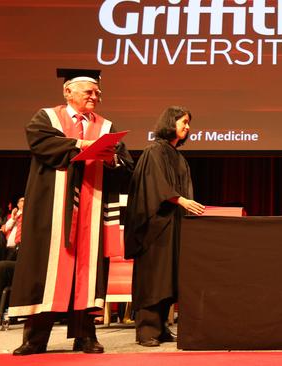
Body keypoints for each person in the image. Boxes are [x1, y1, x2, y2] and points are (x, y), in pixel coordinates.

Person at [8, 68, 133, 355]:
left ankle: (85, 336)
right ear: (68, 92)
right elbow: (41, 143)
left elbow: (125, 162)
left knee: (87, 272)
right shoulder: (47, 118)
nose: (95, 97)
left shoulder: (106, 126)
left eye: (97, 93)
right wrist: (80, 144)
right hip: (53, 208)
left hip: (94, 207)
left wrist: (112, 159)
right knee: (50, 269)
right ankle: (35, 338)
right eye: (89, 92)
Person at [124, 106, 205, 347]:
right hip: (155, 227)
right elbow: (155, 184)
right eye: (184, 122)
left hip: (174, 224)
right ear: (170, 122)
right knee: (154, 277)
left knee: (169, 278)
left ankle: (161, 327)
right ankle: (146, 329)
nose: (188, 127)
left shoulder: (176, 155)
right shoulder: (154, 152)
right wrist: (181, 201)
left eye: (189, 123)